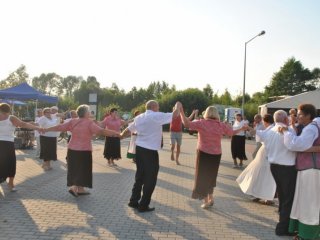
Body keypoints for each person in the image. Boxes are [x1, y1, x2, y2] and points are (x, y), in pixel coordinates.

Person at [44, 105, 120, 197]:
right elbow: (101, 131)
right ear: (85, 113)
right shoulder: (89, 123)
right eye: (88, 111)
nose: (89, 113)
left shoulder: (73, 121)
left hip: (72, 149)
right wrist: (117, 133)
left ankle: (81, 189)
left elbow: (59, 127)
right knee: (83, 170)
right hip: (84, 150)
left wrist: (45, 129)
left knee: (74, 169)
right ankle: (75, 187)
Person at [180, 105, 247, 209]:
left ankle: (206, 201)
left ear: (206, 113)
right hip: (216, 154)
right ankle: (211, 198)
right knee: (211, 176)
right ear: (216, 114)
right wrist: (241, 128)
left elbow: (186, 123)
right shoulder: (220, 125)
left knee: (202, 177)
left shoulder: (202, 123)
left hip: (204, 153)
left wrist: (181, 111)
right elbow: (231, 133)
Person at [121, 100, 180, 212]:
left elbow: (128, 130)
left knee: (140, 176)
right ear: (154, 107)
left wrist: (120, 136)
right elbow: (175, 114)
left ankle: (133, 201)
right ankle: (143, 205)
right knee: (150, 179)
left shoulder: (139, 117)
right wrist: (177, 106)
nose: (158, 108)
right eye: (158, 106)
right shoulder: (156, 116)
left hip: (139, 149)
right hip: (150, 152)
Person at [281, 104, 320, 239]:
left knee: (309, 202)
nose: (297, 116)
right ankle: (304, 233)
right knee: (307, 201)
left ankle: (309, 234)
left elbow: (296, 145)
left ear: (308, 115)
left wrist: (285, 133)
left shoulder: (310, 128)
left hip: (311, 169)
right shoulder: (313, 126)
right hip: (310, 168)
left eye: (300, 114)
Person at [255, 110, 297, 237]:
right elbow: (294, 146)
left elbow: (260, 137)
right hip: (287, 168)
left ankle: (282, 223)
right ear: (285, 119)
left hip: (274, 167)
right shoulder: (287, 131)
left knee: (283, 197)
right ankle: (282, 228)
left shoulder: (271, 130)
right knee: (288, 199)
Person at [0, 103, 42, 191]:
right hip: (7, 144)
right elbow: (22, 124)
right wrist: (37, 128)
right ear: (9, 110)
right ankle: (10, 184)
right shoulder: (11, 117)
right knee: (11, 163)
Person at [236, 114, 276, 204]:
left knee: (263, 174)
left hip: (266, 153)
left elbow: (259, 133)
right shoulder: (271, 128)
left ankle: (265, 196)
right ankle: (260, 195)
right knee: (262, 174)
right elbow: (259, 134)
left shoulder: (271, 129)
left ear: (265, 121)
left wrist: (249, 128)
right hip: (265, 153)